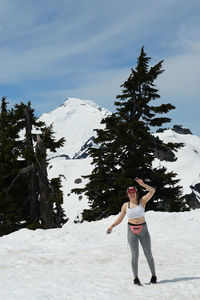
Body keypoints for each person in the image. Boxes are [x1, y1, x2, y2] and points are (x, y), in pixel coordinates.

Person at [106, 177, 157, 285]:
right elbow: (120, 218)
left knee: (148, 253)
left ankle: (153, 275)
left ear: (136, 193)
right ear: (127, 194)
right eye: (129, 193)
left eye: (133, 192)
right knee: (135, 255)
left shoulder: (142, 201)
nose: (131, 194)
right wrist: (112, 226)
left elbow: (152, 191)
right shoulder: (125, 206)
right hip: (131, 231)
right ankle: (136, 277)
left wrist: (143, 184)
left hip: (143, 229)